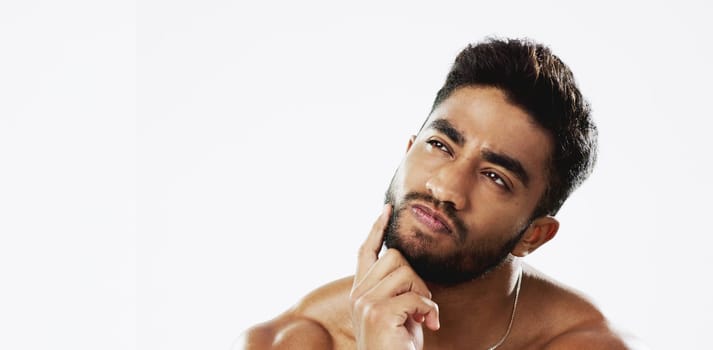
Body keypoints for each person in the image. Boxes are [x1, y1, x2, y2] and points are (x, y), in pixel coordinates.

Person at [238, 38, 643, 349]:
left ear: (532, 235)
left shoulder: (582, 343)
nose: (446, 187)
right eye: (440, 146)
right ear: (409, 148)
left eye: (495, 176)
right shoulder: (297, 340)